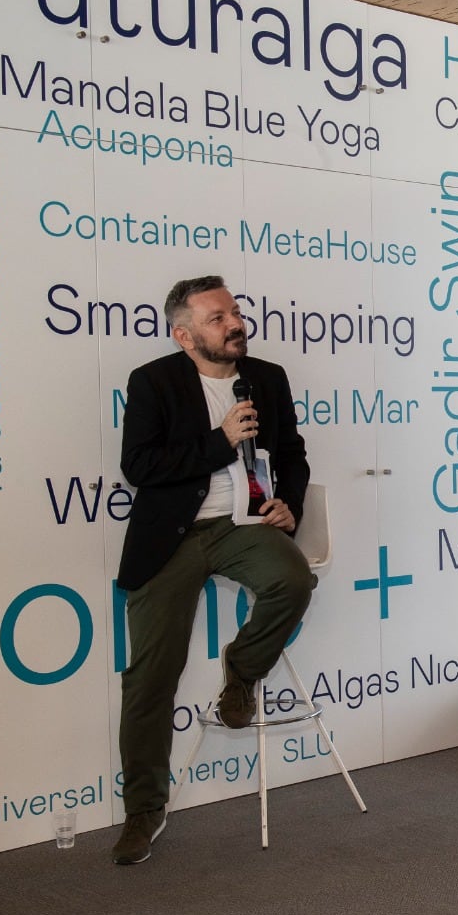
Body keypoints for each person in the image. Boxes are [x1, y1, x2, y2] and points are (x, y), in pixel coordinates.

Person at [111, 275, 316, 865]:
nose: (234, 324)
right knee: (150, 677)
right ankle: (144, 810)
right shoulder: (153, 382)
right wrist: (219, 441)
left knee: (294, 581)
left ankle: (242, 672)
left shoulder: (267, 379)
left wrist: (290, 504)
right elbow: (141, 466)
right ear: (184, 334)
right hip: (172, 537)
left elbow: (293, 453)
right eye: (217, 318)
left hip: (243, 528)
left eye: (234, 312)